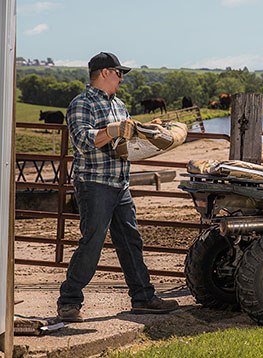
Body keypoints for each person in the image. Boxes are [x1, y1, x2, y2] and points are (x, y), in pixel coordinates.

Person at [57, 52, 179, 322]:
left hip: (120, 184)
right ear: (103, 73)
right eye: (118, 72)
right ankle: (69, 301)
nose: (122, 78)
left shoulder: (120, 105)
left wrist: (147, 133)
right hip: (95, 184)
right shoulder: (81, 103)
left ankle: (143, 298)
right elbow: (81, 140)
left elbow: (126, 143)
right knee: (92, 243)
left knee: (130, 241)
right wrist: (112, 130)